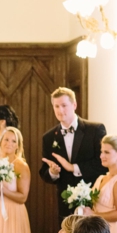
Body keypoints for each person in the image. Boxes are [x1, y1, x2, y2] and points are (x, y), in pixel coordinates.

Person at [39, 87, 106, 223]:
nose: (60, 110)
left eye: (64, 105)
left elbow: (103, 165)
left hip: (93, 199)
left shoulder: (95, 130)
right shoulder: (49, 137)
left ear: (74, 105)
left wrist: (73, 168)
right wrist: (53, 172)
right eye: (56, 106)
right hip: (65, 204)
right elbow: (44, 173)